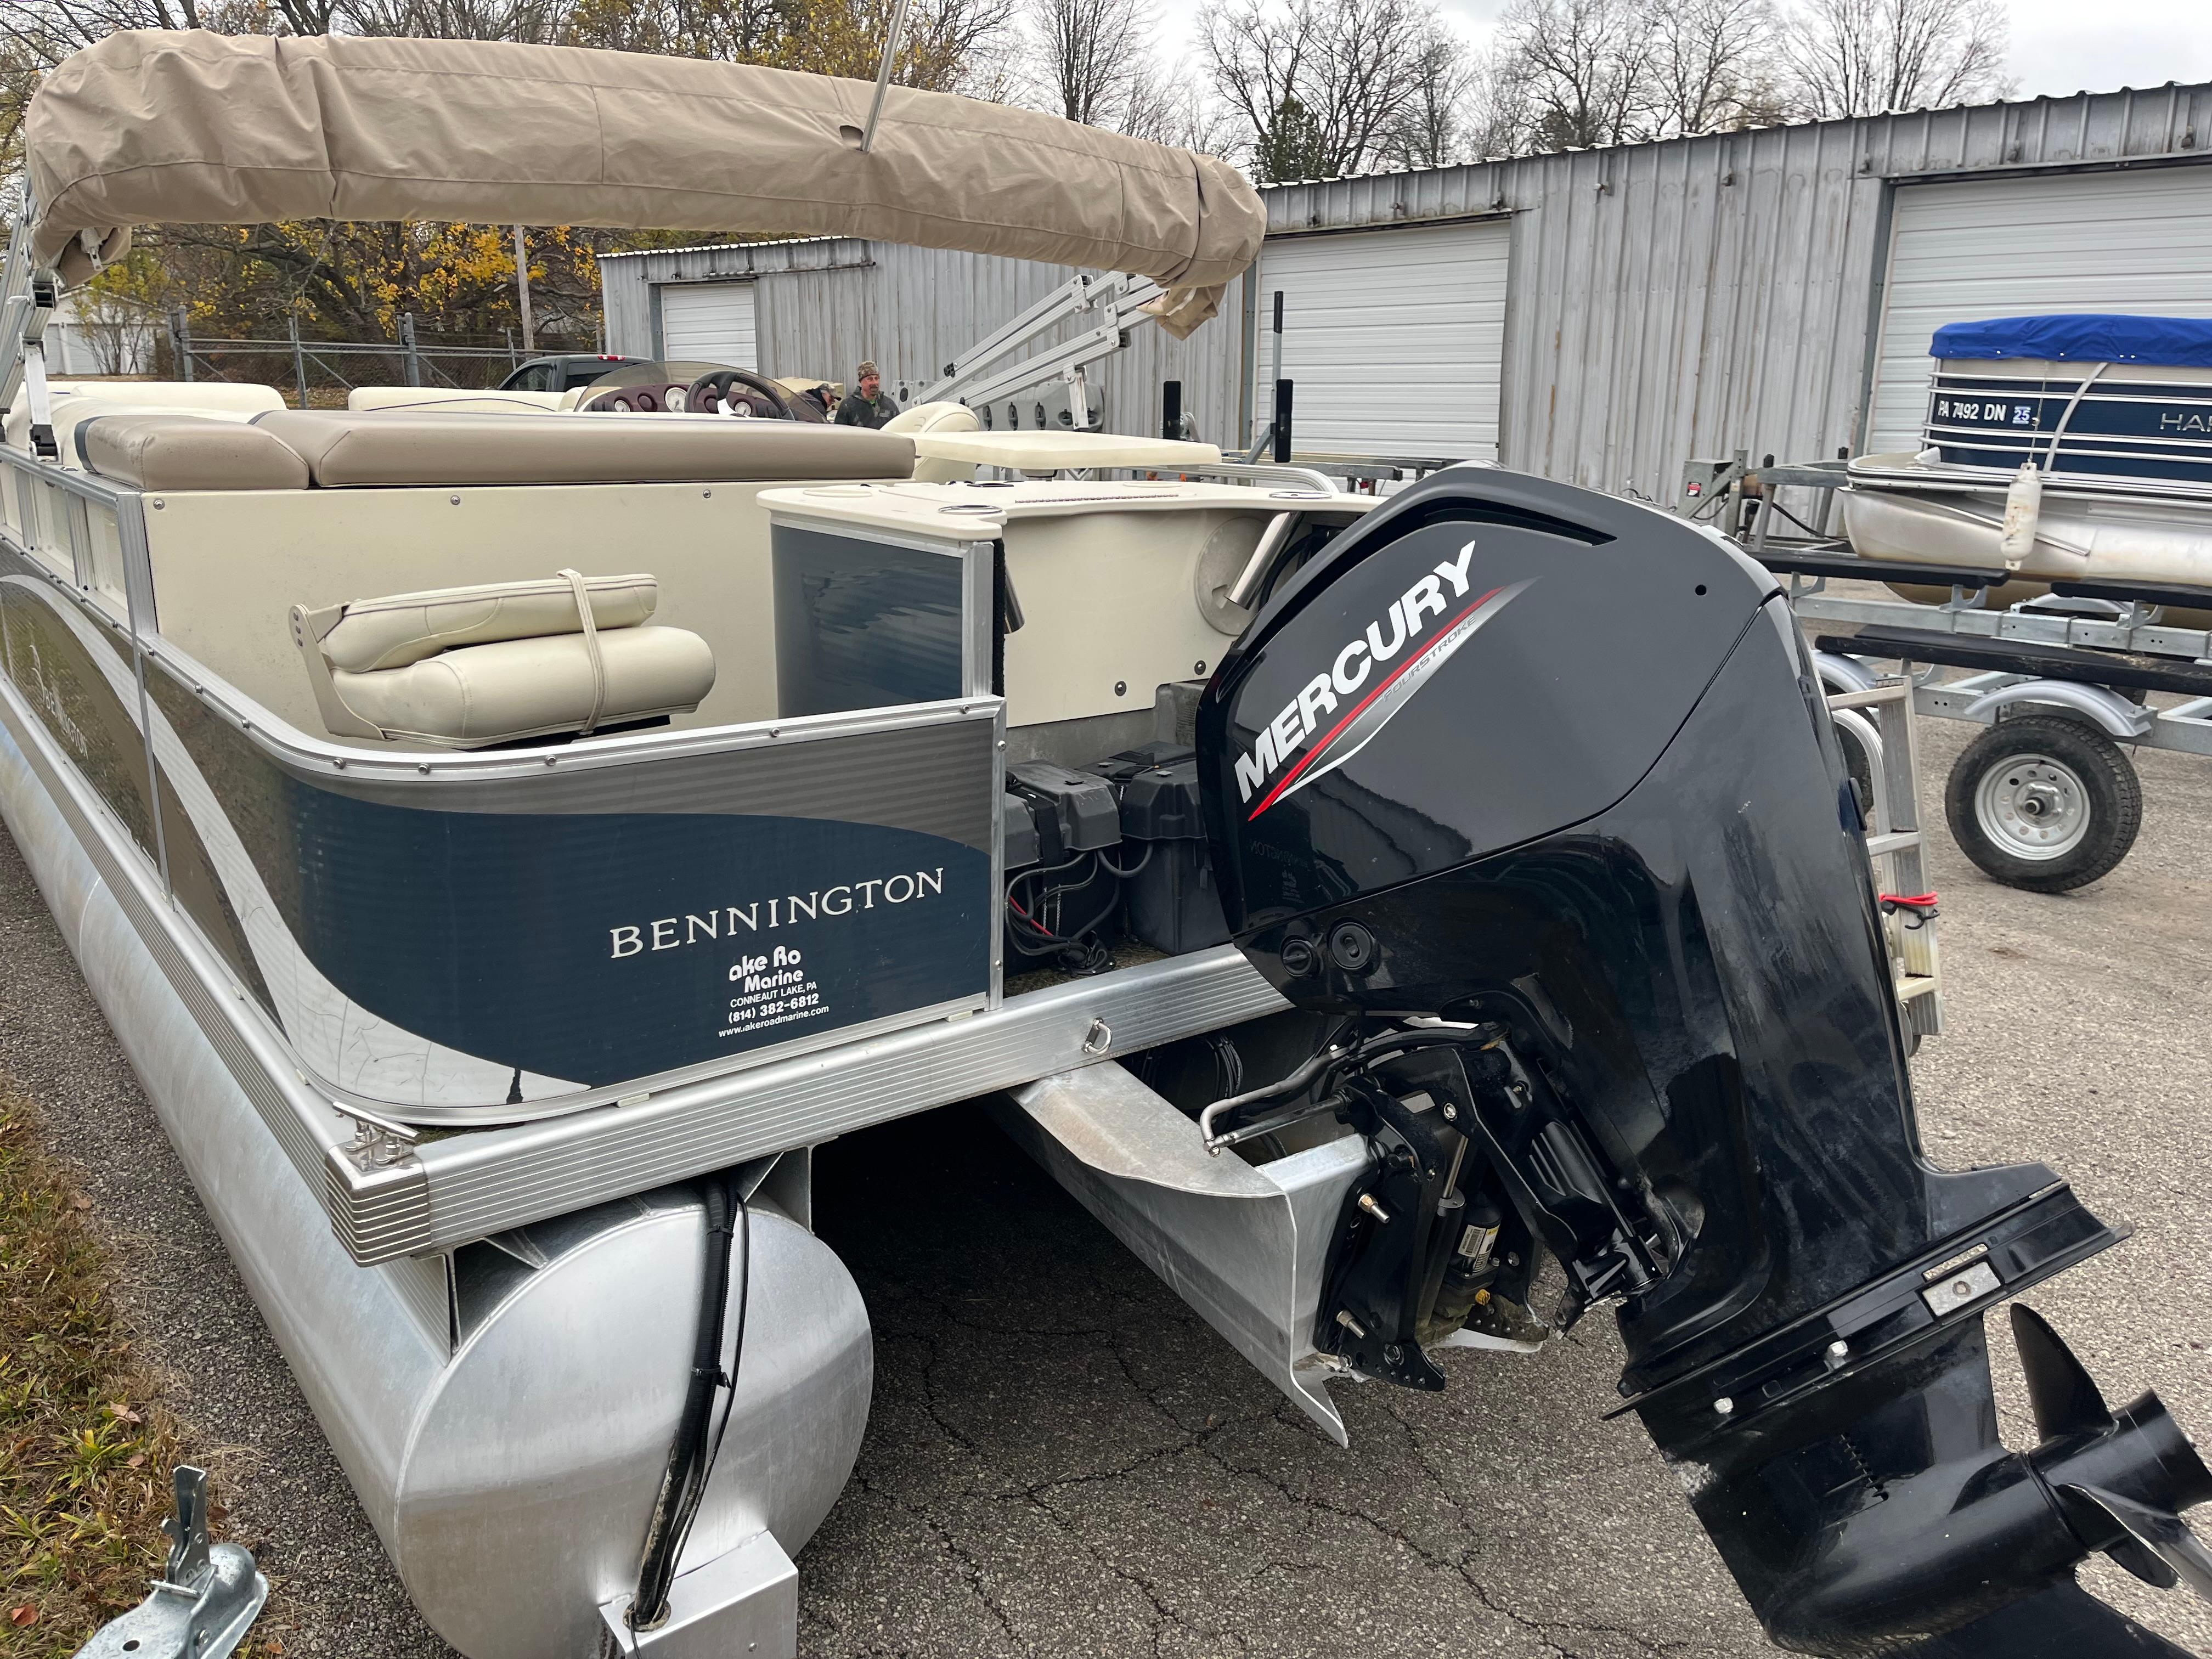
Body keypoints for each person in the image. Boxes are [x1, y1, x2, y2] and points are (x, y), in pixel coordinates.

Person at [834, 361, 896, 429]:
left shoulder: (889, 405)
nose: (875, 383)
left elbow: (899, 430)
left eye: (877, 378)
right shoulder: (848, 406)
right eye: (870, 379)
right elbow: (839, 434)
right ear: (861, 382)